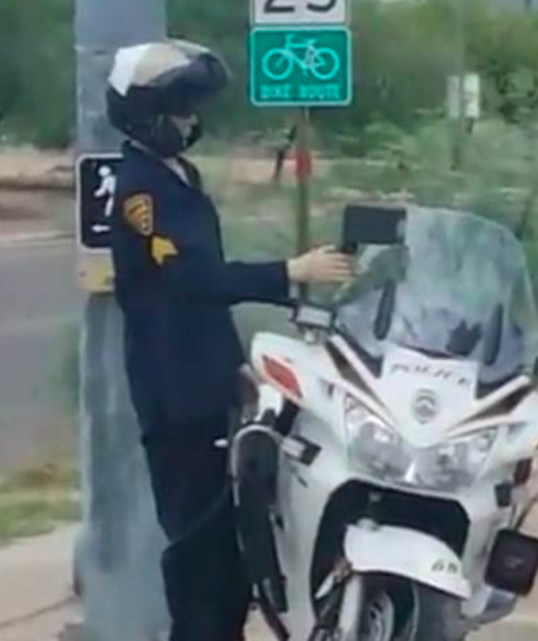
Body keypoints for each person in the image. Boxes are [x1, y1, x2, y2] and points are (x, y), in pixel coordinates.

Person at [103, 39, 353, 641]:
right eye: (178, 107)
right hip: (177, 398)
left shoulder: (178, 177)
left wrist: (236, 366)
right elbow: (190, 277)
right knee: (198, 551)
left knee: (233, 555)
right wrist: (290, 273)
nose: (189, 121)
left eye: (192, 107)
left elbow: (200, 297)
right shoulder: (142, 190)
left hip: (209, 385)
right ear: (140, 112)